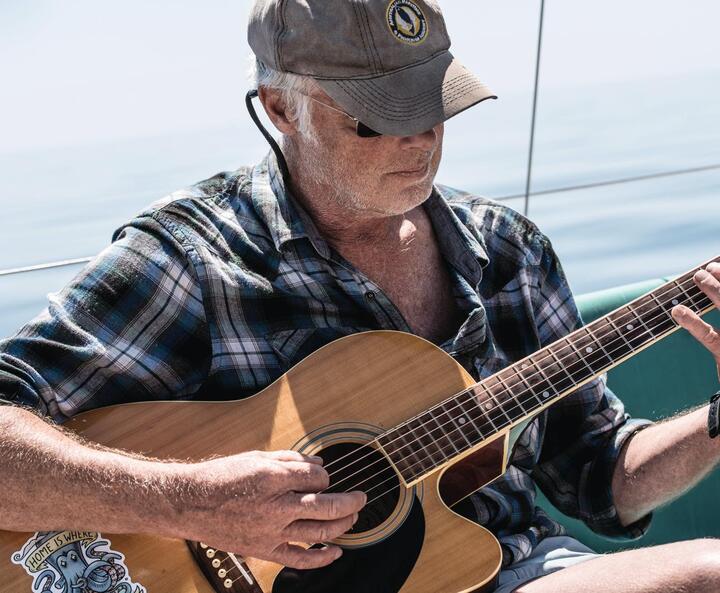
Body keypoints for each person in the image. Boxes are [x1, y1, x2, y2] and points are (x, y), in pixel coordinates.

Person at [1, 1, 720, 591]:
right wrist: (191, 501)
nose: (419, 138)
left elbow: (605, 478)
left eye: (436, 103)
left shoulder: (507, 251)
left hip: (502, 569)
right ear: (281, 110)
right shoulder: (193, 259)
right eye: (375, 117)